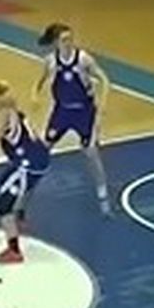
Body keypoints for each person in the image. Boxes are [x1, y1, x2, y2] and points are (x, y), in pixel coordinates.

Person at [33, 22, 112, 213]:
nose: (69, 43)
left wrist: (103, 104)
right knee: (43, 149)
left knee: (91, 152)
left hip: (84, 112)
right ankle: (27, 185)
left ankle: (103, 194)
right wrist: (34, 95)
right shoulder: (51, 61)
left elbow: (104, 79)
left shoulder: (83, 59)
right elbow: (39, 81)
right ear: (56, 42)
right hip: (61, 111)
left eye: (70, 39)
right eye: (64, 40)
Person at [0, 81, 51, 264]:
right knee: (5, 180)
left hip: (27, 164)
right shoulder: (15, 110)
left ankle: (14, 251)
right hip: (39, 158)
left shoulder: (4, 113)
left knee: (2, 205)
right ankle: (19, 218)